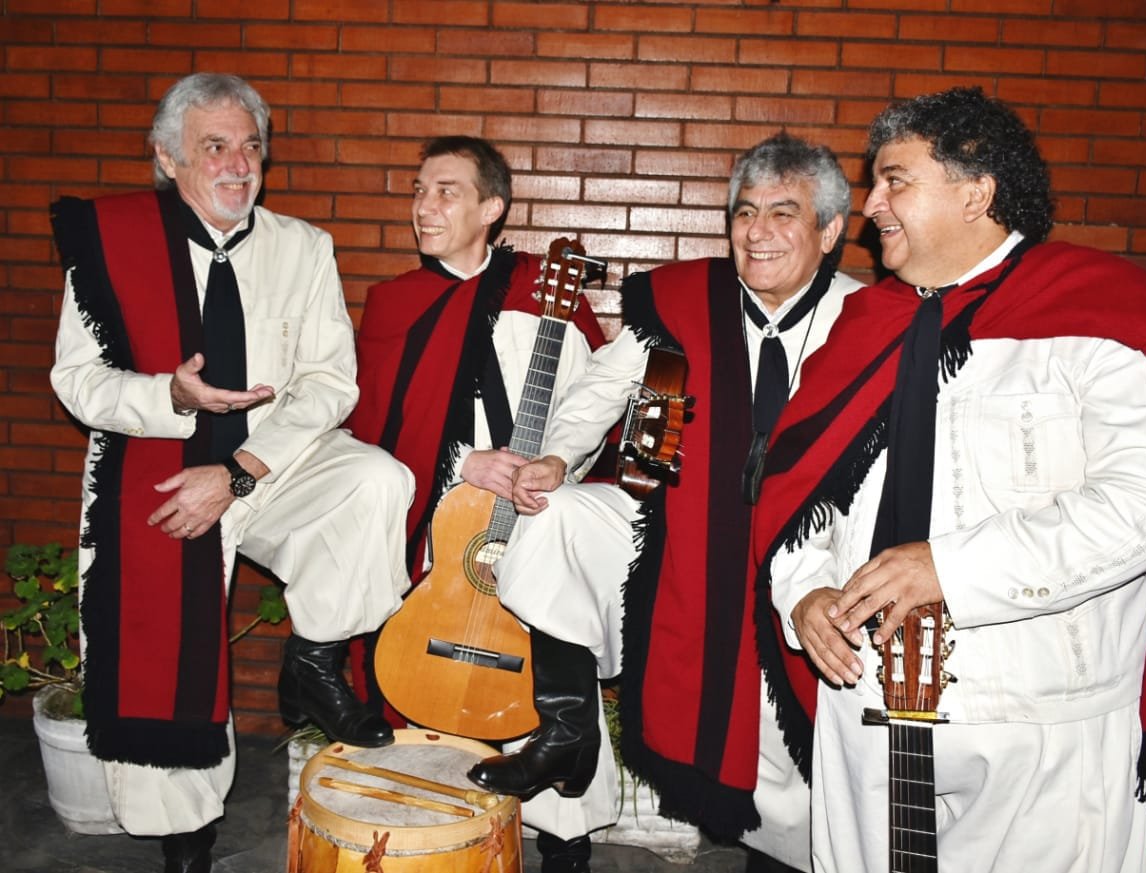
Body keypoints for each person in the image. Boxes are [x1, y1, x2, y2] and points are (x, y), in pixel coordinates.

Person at [755, 87, 1146, 873]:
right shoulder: (861, 327)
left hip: (1042, 723)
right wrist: (804, 594)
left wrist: (949, 568)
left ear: (978, 191)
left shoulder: (1103, 312)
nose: (873, 206)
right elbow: (803, 501)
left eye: (896, 179)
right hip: (864, 710)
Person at [48, 73, 415, 872]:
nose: (238, 163)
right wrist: (166, 395)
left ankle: (313, 661)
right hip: (160, 468)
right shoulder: (111, 244)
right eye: (215, 146)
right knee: (167, 634)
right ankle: (185, 831)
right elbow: (76, 382)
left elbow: (331, 381)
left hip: (270, 463)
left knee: (378, 481)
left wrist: (243, 467)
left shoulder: (303, 246)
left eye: (251, 146)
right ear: (167, 158)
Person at [469, 132, 863, 872]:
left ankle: (779, 854)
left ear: (831, 230)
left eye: (784, 213)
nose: (758, 231)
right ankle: (565, 730)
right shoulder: (687, 300)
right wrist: (557, 456)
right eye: (745, 212)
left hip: (806, 557)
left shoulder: (872, 321)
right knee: (552, 514)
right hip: (677, 537)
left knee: (783, 754)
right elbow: (599, 389)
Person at [342, 135, 618, 873]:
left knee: (552, 668)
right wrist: (464, 464)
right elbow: (370, 430)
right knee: (426, 686)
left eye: (446, 191)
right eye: (419, 190)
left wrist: (555, 471)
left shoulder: (545, 294)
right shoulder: (396, 303)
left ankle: (566, 843)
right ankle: (427, 841)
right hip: (442, 528)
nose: (424, 206)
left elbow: (596, 408)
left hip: (532, 518)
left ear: (492, 207)